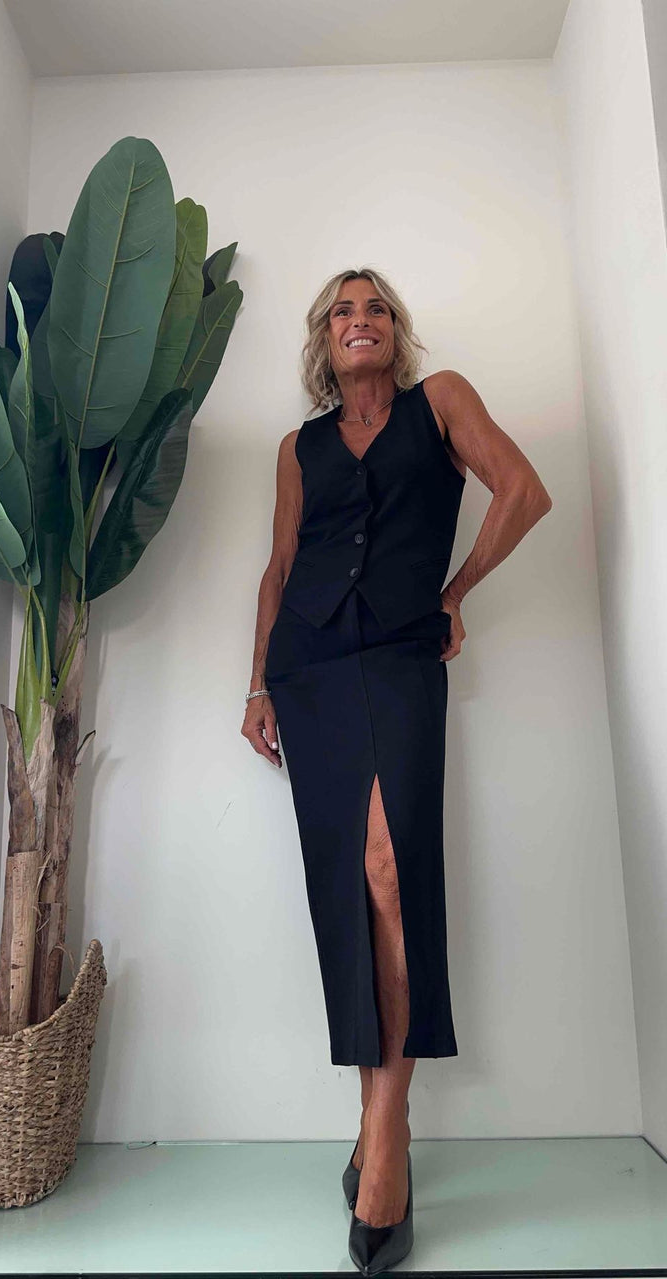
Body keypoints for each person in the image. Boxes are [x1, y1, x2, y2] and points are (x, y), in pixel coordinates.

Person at [241, 267, 552, 1276]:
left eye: (375, 307)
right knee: (349, 891)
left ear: (397, 332)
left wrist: (455, 593)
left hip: (402, 659)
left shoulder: (440, 402)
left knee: (392, 873)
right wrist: (257, 683)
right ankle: (385, 1130)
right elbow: (280, 568)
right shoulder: (298, 448)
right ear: (324, 342)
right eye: (343, 310)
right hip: (311, 670)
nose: (360, 319)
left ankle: (385, 1134)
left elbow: (524, 490)